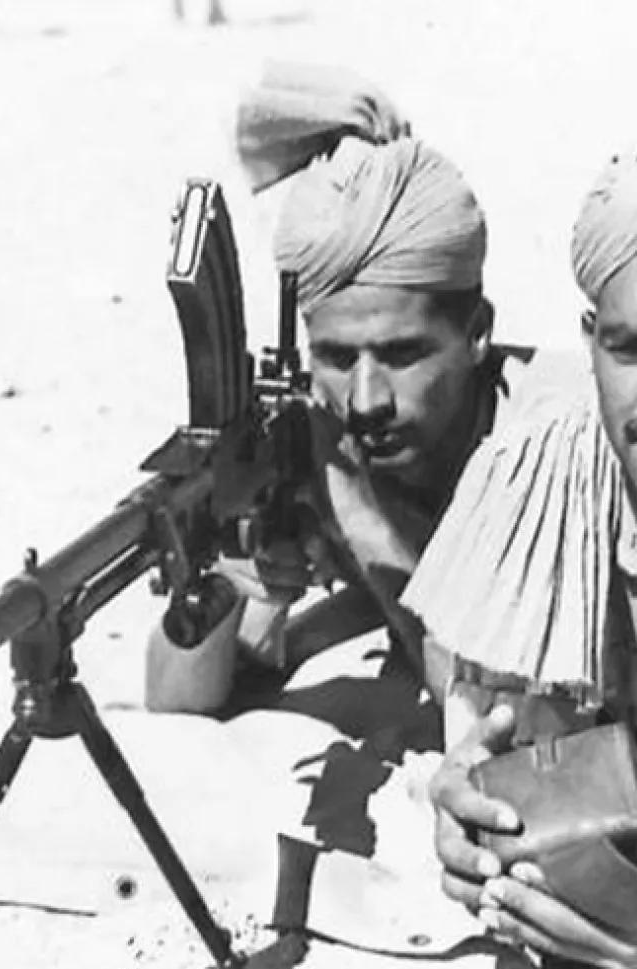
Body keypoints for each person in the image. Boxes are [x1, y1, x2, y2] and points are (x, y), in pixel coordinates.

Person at [146, 61, 531, 722]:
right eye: (335, 356)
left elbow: (490, 700)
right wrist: (228, 590)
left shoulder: (546, 446)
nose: (365, 398)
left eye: (403, 353)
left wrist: (357, 530)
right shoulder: (313, 440)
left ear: (477, 335)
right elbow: (175, 700)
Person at [402, 102, 637, 969]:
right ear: (589, 343)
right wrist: (473, 813)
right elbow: (496, 748)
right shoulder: (544, 471)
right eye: (633, 349)